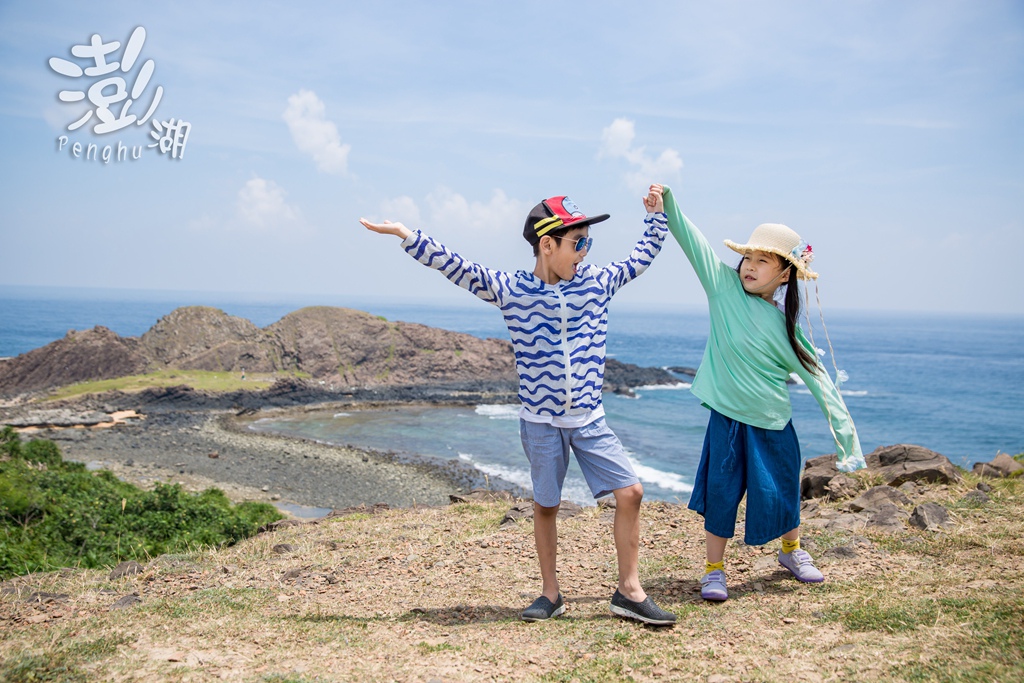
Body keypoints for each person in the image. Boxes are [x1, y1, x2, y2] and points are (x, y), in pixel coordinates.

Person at [359, 186, 677, 625]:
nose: (585, 251)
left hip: (589, 420)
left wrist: (656, 216)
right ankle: (551, 593)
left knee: (631, 492)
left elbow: (642, 257)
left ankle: (629, 590)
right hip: (541, 424)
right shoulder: (512, 290)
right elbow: (457, 267)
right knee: (546, 506)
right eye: (578, 243)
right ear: (548, 245)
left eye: (589, 243)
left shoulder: (597, 283)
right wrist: (405, 235)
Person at [660, 186, 866, 602]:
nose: (749, 267)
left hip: (773, 425)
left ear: (785, 273)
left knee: (783, 491)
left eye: (762, 261)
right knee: (721, 495)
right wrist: (667, 201)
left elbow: (823, 384)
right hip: (728, 421)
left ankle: (791, 552)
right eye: (747, 258)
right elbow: (693, 241)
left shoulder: (787, 331)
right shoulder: (723, 290)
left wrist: (848, 446)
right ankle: (714, 571)